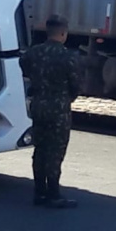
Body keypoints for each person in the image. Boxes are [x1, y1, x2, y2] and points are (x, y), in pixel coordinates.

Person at [20, 14, 81, 209]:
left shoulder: (33, 53)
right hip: (59, 108)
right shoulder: (68, 56)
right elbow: (76, 84)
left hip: (38, 105)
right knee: (55, 151)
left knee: (40, 149)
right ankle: (53, 192)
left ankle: (39, 192)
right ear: (63, 33)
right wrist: (68, 97)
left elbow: (24, 68)